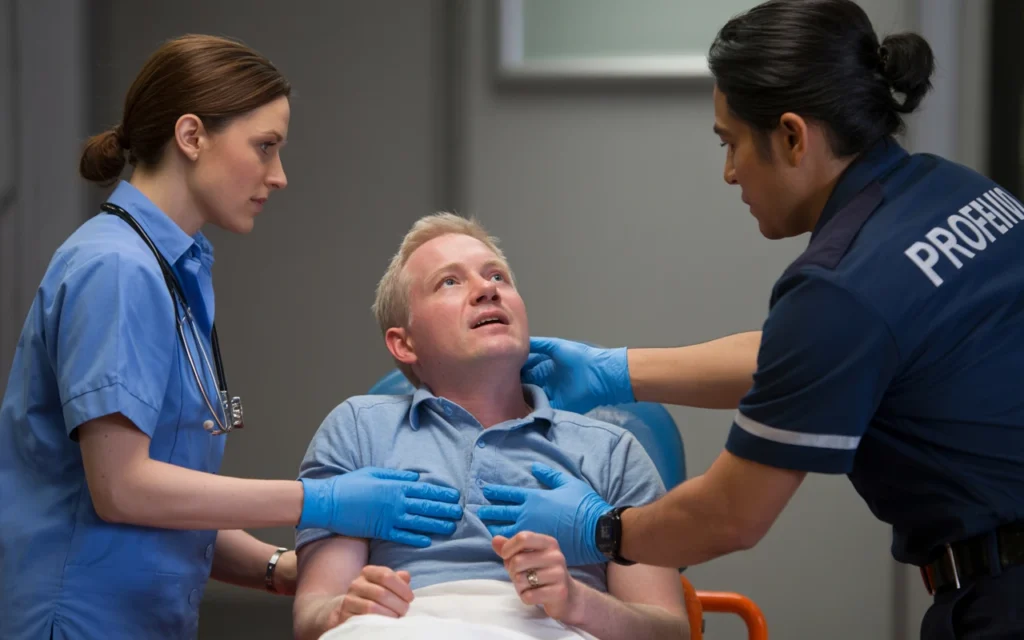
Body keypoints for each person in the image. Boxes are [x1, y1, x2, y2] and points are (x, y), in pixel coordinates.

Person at [483, 1, 1024, 638]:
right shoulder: (958, 191)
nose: (730, 171)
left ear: (793, 136)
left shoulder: (839, 287)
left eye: (731, 142)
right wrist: (617, 371)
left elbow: (731, 516)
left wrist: (603, 530)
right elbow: (809, 361)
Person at [0, 35, 463, 640]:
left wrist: (287, 568)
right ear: (191, 136)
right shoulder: (116, 268)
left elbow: (166, 499)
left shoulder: (174, 267)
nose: (279, 176)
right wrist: (319, 502)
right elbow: (121, 489)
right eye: (265, 147)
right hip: (78, 619)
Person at [292, 213, 687, 640]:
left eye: (496, 275)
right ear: (404, 343)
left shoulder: (612, 449)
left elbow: (668, 631)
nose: (487, 289)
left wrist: (578, 602)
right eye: (450, 282)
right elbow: (316, 613)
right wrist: (344, 609)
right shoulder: (359, 429)